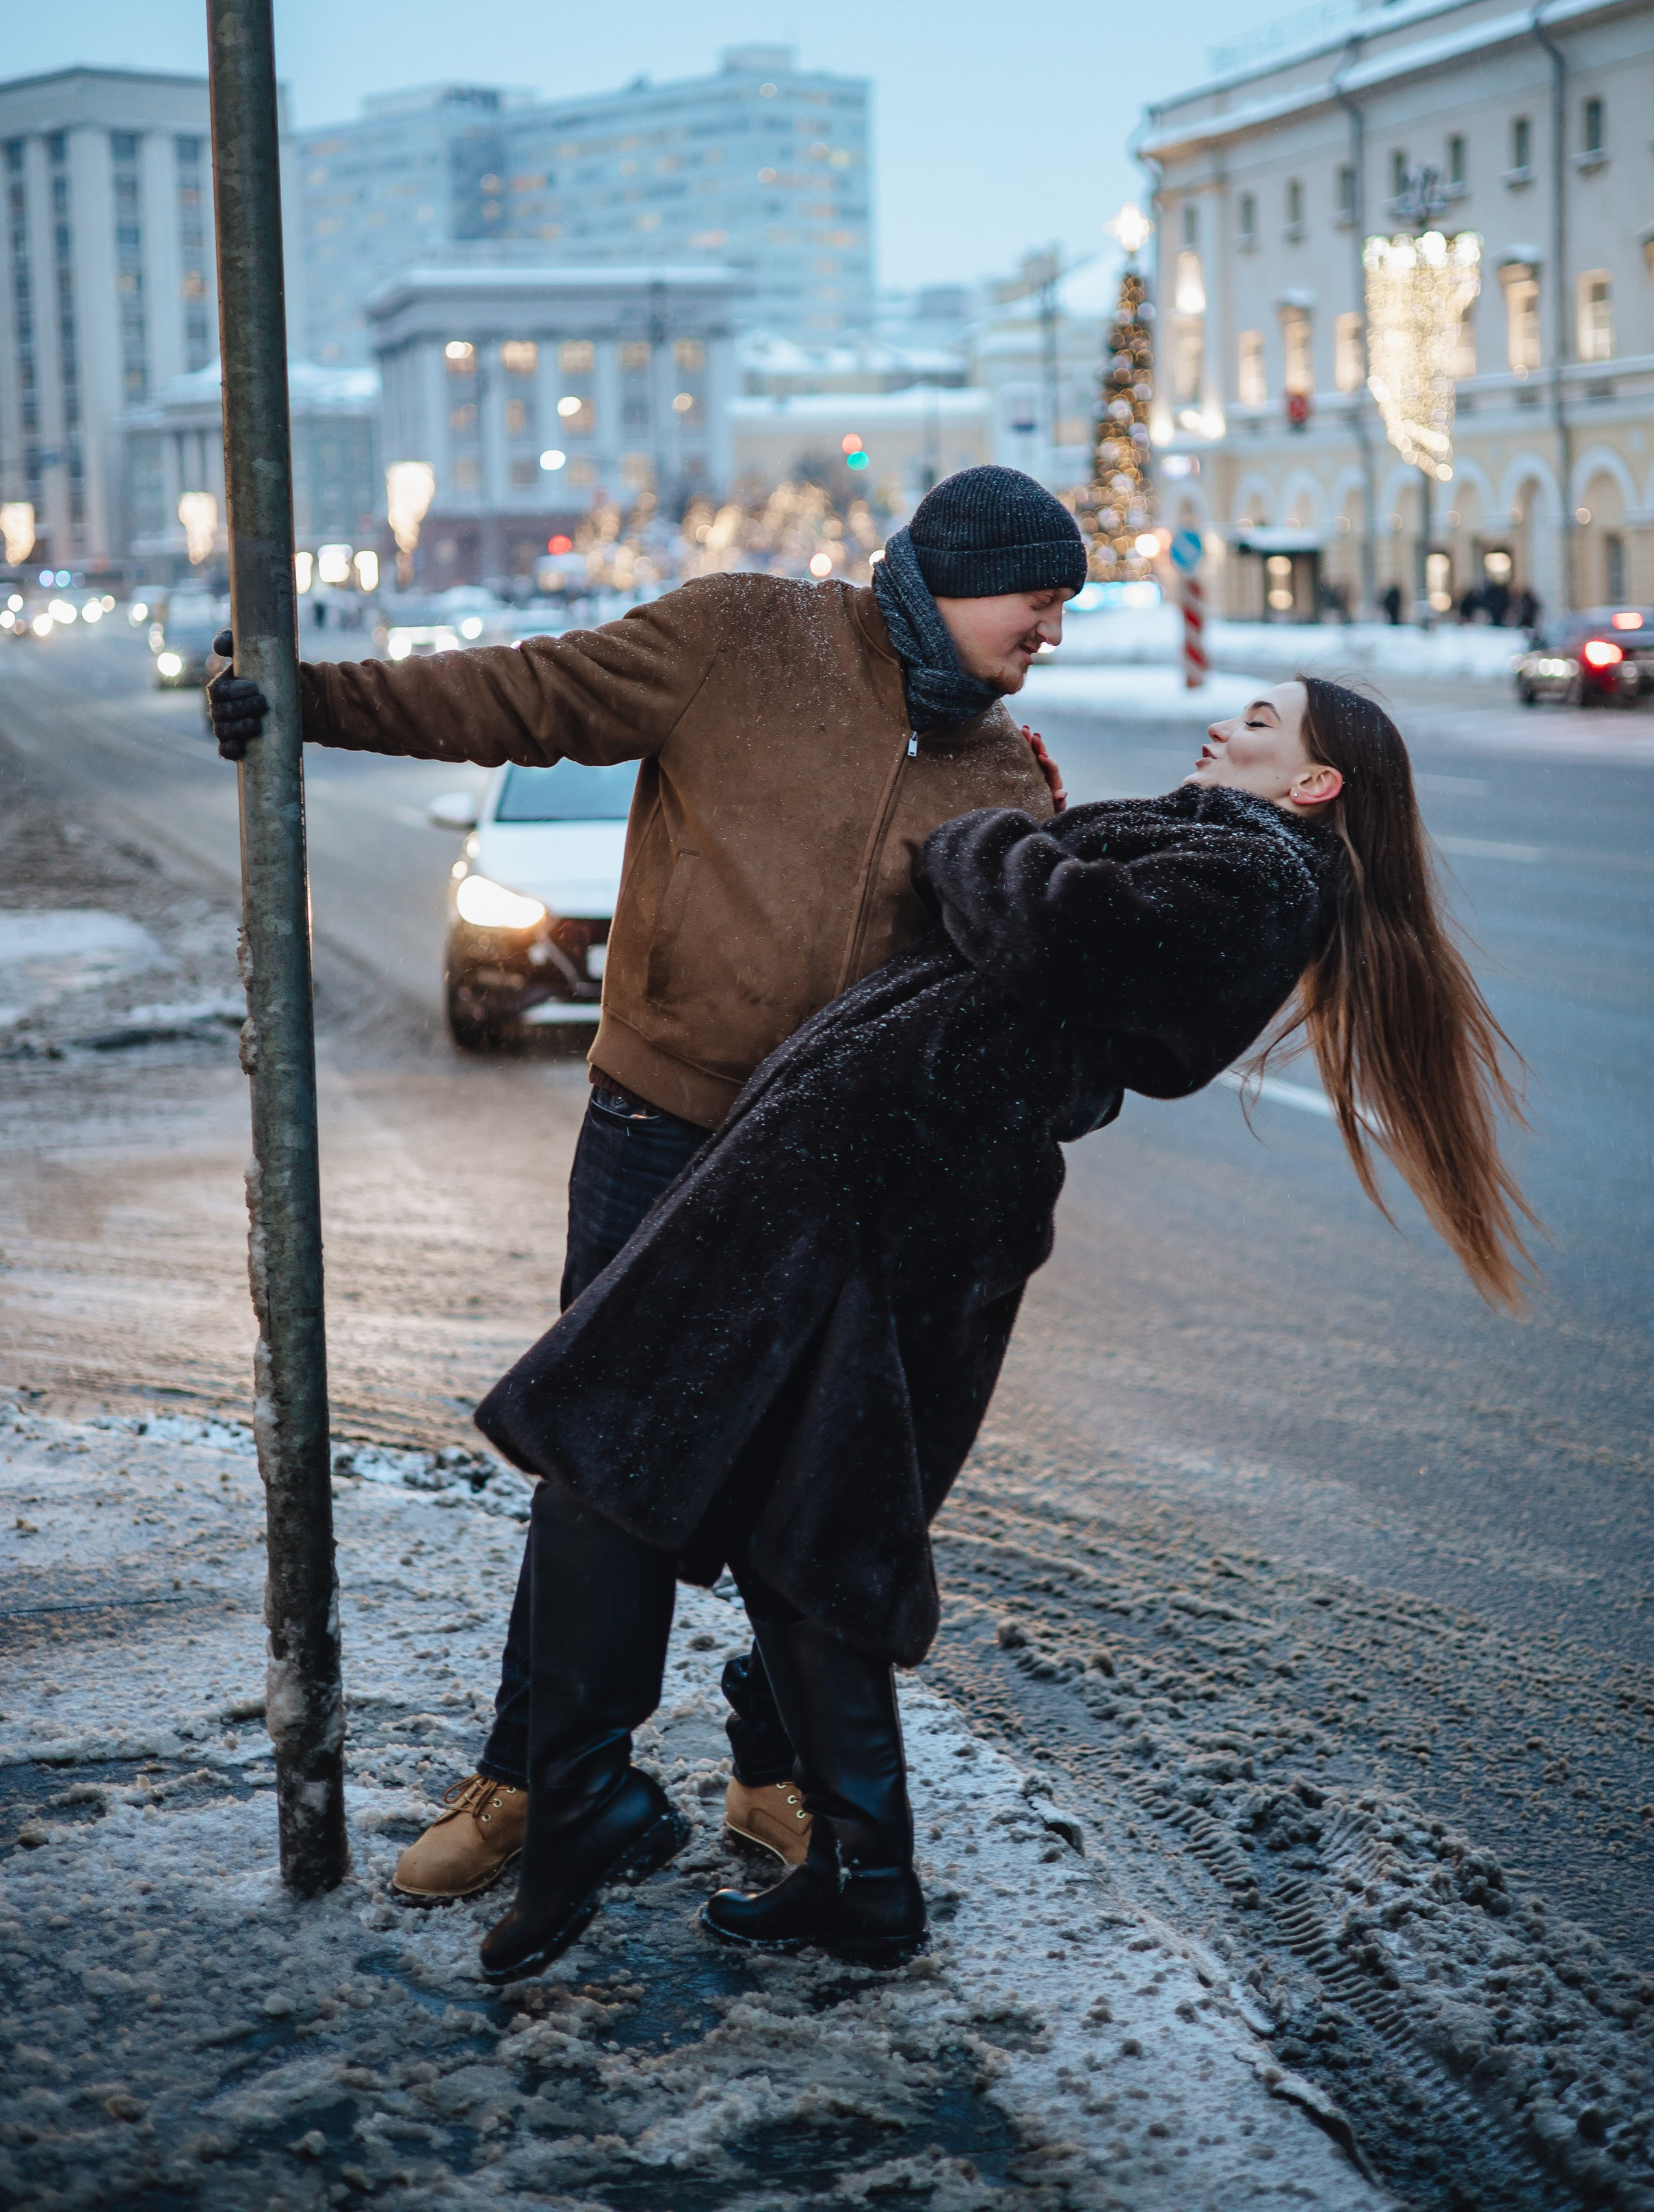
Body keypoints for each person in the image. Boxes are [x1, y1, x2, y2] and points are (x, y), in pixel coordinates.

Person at [467, 675, 1536, 1983]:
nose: (1225, 723)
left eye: (1262, 721)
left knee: (621, 1424)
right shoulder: (1228, 851)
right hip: (878, 1182)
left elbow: (1054, 932)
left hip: (884, 1193)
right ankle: (856, 1875)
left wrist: (979, 837)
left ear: (1315, 783)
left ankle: (588, 1803)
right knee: (810, 1524)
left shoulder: (1263, 875)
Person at [207, 466, 1086, 1901]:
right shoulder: (742, 637)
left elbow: (1017, 979)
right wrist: (307, 699)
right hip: (663, 1131)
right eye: (1037, 601)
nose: (1050, 629)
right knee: (601, 1473)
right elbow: (522, 698)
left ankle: (768, 1774)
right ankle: (526, 1777)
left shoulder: (998, 774)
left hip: (829, 1182)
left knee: (814, 1492)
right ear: (955, 574)